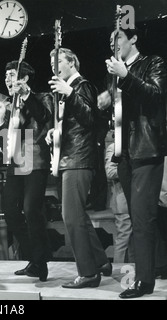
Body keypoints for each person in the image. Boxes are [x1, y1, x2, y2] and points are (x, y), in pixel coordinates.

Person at [104, 27, 167, 298]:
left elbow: (154, 96)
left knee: (142, 218)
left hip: (146, 149)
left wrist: (126, 76)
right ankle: (153, 269)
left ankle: (144, 281)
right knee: (139, 217)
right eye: (110, 40)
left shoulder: (153, 63)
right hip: (125, 153)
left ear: (133, 39)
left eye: (118, 37)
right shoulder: (114, 75)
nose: (113, 43)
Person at [46, 47, 112, 289]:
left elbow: (90, 118)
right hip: (71, 157)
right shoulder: (70, 90)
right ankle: (101, 262)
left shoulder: (80, 86)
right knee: (78, 215)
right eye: (51, 63)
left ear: (72, 62)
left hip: (78, 159)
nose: (54, 66)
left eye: (58, 61)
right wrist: (55, 132)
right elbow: (76, 123)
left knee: (71, 217)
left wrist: (70, 92)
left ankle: (88, 273)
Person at [0, 60, 53, 281]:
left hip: (35, 159)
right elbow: (5, 141)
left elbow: (45, 117)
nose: (7, 79)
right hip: (15, 162)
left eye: (12, 74)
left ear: (25, 78)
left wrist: (27, 95)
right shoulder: (7, 104)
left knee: (31, 210)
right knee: (10, 212)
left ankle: (39, 260)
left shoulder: (42, 97)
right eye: (6, 75)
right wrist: (0, 122)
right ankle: (37, 259)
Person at [105, 138, 134, 263]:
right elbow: (110, 172)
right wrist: (131, 171)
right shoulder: (114, 147)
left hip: (137, 197)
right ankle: (120, 270)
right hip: (122, 199)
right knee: (124, 238)